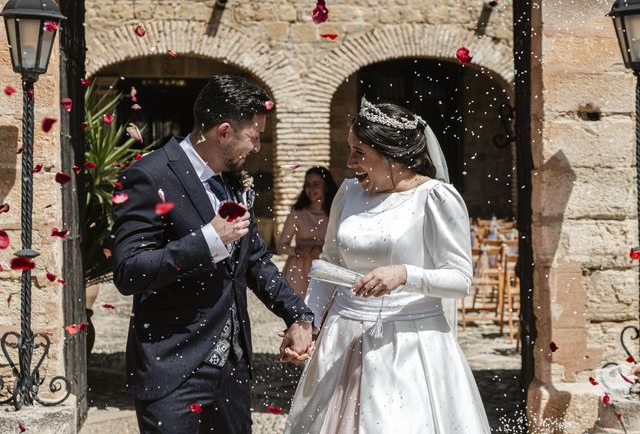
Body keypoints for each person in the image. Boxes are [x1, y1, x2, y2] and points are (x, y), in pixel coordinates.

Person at [111, 75, 314, 434]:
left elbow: (254, 261)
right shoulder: (149, 175)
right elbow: (130, 271)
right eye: (254, 136)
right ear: (223, 133)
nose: (257, 146)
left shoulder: (233, 179)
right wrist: (207, 241)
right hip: (172, 367)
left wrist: (298, 316)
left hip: (231, 369)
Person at [285, 98, 490, 433]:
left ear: (392, 154)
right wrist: (307, 321)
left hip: (409, 344)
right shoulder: (348, 193)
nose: (350, 163)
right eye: (349, 150)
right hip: (343, 336)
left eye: (360, 153)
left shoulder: (435, 197)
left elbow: (460, 279)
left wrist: (405, 274)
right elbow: (330, 264)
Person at [278, 166, 338, 298]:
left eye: (316, 184)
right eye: (307, 185)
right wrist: (297, 251)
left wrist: (322, 250)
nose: (310, 189)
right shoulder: (297, 212)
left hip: (326, 270)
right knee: (298, 315)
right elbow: (281, 246)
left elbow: (341, 246)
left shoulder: (336, 213)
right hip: (298, 271)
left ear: (326, 186)